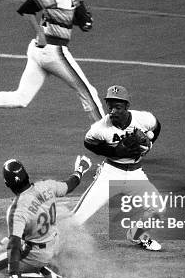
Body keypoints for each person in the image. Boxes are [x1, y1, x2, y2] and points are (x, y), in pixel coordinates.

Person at [0, 155, 92, 278]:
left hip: (37, 254)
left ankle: (35, 275)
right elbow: (70, 184)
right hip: (55, 242)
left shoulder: (17, 210)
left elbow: (15, 245)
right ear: (27, 176)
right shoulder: (47, 185)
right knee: (7, 243)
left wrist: (13, 275)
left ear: (7, 184)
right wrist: (79, 170)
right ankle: (44, 267)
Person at [69, 85, 163, 251]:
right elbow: (89, 143)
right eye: (110, 106)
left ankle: (137, 234)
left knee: (158, 208)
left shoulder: (144, 119)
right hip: (110, 174)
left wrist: (149, 145)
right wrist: (115, 151)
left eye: (117, 107)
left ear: (127, 106)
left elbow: (157, 127)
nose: (112, 111)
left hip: (136, 174)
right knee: (77, 217)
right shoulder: (99, 128)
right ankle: (46, 245)